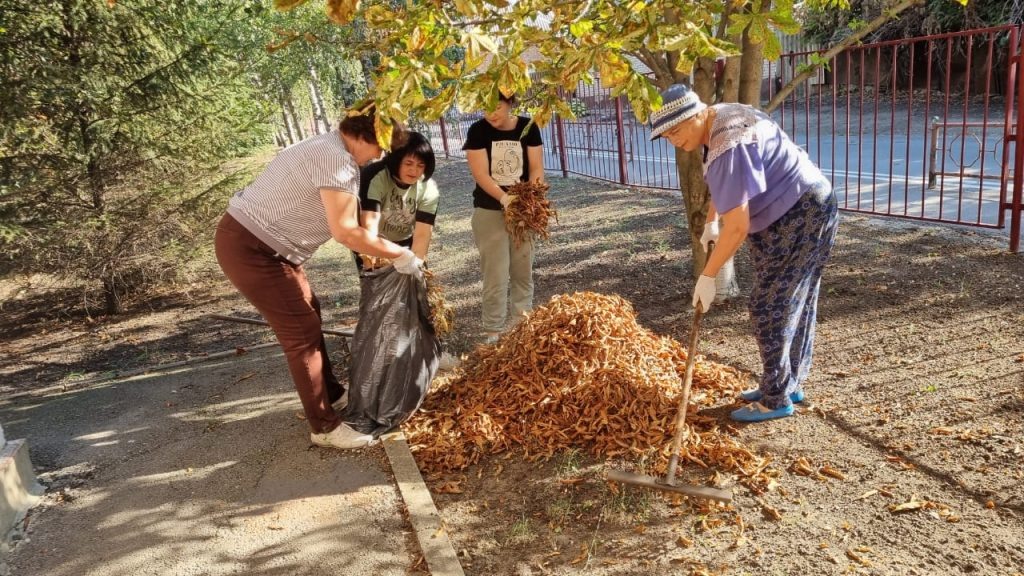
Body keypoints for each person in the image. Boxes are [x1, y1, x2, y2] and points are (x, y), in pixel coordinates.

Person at [214, 104, 421, 450]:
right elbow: (345, 231)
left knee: (310, 312)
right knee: (301, 335)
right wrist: (399, 253)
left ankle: (334, 394)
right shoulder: (335, 160)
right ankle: (324, 427)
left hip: (267, 247)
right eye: (381, 147)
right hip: (254, 249)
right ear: (366, 136)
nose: (379, 156)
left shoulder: (330, 147)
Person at [649, 84, 839, 423]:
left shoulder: (728, 145)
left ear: (697, 113)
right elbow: (722, 186)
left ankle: (776, 398)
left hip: (801, 212)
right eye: (666, 135)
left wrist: (708, 277)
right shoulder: (720, 119)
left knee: (769, 304)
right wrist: (711, 220)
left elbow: (738, 226)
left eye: (676, 130)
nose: (673, 140)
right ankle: (784, 382)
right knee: (789, 301)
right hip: (785, 212)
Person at [462, 92, 545, 343]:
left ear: (510, 103)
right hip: (490, 210)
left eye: (497, 106)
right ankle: (493, 334)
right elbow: (481, 174)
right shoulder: (477, 131)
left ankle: (522, 329)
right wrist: (504, 199)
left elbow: (536, 169)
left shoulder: (528, 127)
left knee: (522, 271)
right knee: (496, 274)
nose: (491, 114)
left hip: (522, 211)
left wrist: (531, 201)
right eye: (485, 108)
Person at [354, 132, 440, 269]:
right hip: (373, 242)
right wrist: (371, 265)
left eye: (420, 165)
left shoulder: (429, 189)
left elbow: (422, 235)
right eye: (409, 163)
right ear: (396, 160)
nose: (414, 170)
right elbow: (369, 226)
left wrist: (415, 265)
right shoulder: (374, 176)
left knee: (416, 281)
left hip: (407, 243)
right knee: (378, 285)